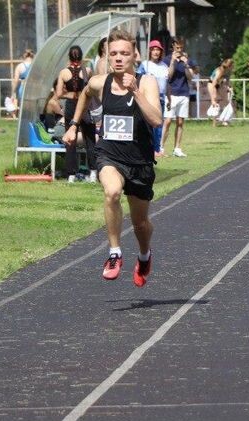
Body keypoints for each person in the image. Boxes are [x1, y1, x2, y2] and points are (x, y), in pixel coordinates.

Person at [63, 29, 162, 288]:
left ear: (134, 56)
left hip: (139, 162)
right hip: (109, 154)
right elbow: (84, 94)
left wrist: (136, 92)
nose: (118, 58)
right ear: (107, 56)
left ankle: (144, 255)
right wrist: (73, 125)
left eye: (124, 54)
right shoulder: (99, 82)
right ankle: (114, 253)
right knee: (112, 192)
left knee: (141, 224)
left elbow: (156, 120)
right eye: (113, 53)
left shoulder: (147, 81)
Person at [56, 45, 96, 181]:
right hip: (85, 107)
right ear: (81, 56)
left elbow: (59, 93)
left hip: (71, 108)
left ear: (69, 57)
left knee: (70, 141)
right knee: (90, 139)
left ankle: (71, 175)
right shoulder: (88, 70)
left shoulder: (63, 73)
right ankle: (93, 173)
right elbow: (93, 90)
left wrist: (71, 95)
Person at [162, 37, 197, 157]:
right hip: (171, 94)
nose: (179, 50)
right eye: (177, 48)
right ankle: (161, 147)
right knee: (167, 121)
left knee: (180, 122)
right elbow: (169, 76)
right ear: (173, 47)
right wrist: (173, 61)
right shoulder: (166, 59)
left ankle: (177, 148)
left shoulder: (186, 60)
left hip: (184, 93)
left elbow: (190, 77)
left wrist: (186, 64)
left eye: (181, 48)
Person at [141, 40, 169, 157]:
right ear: (150, 51)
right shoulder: (145, 65)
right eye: (154, 49)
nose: (156, 52)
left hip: (161, 98)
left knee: (158, 125)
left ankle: (157, 149)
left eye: (158, 50)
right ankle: (147, 147)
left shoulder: (164, 66)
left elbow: (167, 84)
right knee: (147, 124)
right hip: (148, 98)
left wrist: (169, 99)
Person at [207, 58, 233, 127]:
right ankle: (214, 124)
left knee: (226, 102)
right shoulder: (219, 71)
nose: (233, 67)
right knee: (214, 101)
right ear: (229, 66)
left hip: (219, 84)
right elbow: (213, 84)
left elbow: (227, 81)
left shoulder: (228, 71)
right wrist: (213, 98)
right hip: (212, 84)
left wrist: (229, 87)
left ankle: (224, 120)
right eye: (232, 66)